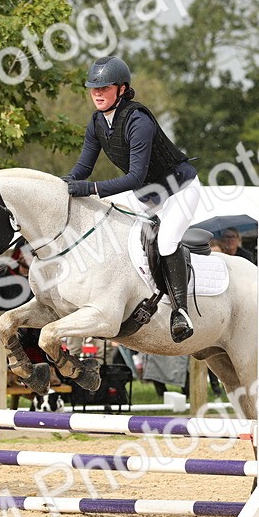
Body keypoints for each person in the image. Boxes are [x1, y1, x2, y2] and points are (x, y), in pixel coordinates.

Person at [64, 55, 203, 343]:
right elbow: (83, 168)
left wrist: (89, 189)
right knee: (113, 231)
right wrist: (60, 185)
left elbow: (134, 178)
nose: (97, 94)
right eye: (94, 88)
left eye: (104, 88)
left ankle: (180, 312)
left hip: (179, 188)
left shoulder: (138, 121)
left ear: (123, 89)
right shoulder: (97, 122)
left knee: (166, 242)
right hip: (148, 194)